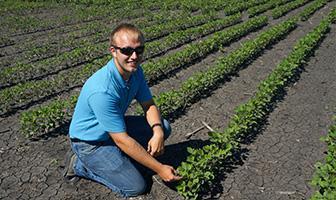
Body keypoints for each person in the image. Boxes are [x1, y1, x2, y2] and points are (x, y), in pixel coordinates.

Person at [63, 23, 181, 197]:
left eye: (139, 50)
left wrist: (158, 133)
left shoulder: (135, 72)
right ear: (113, 51)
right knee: (136, 186)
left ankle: (122, 159)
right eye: (126, 50)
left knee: (164, 126)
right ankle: (79, 165)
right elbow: (122, 140)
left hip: (114, 129)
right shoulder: (102, 90)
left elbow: (148, 105)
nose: (134, 56)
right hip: (91, 142)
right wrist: (160, 168)